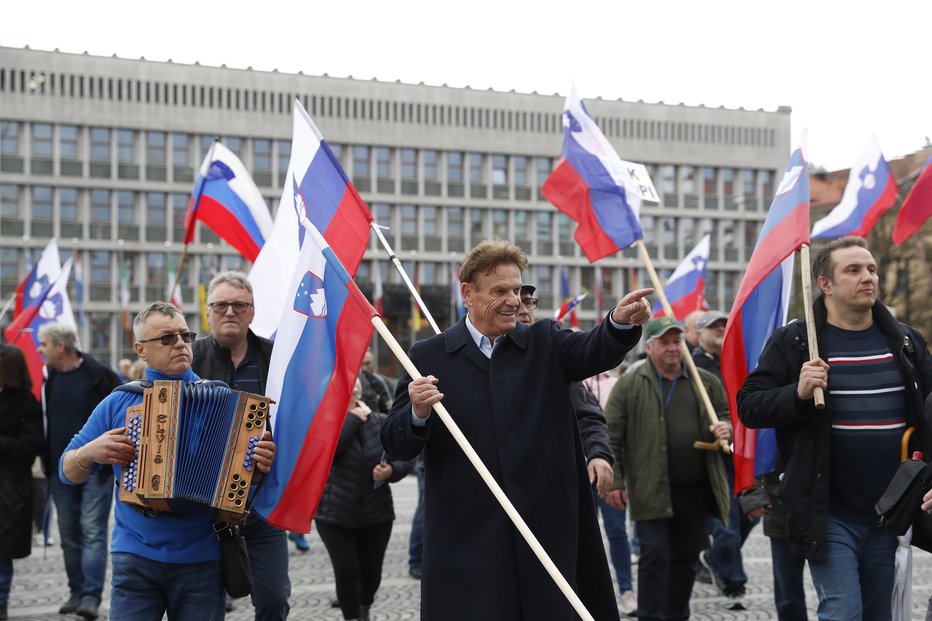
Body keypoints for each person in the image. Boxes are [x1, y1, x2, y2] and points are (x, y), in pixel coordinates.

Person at [381, 239, 651, 621]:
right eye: (500, 291)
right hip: (468, 540)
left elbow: (593, 349)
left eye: (516, 290)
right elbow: (395, 441)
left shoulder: (545, 341)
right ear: (468, 294)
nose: (513, 301)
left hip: (545, 531)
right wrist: (418, 411)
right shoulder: (428, 355)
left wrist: (619, 322)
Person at [739, 236, 932, 621]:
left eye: (871, 269)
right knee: (842, 610)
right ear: (824, 283)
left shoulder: (906, 341)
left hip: (890, 510)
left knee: (879, 612)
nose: (868, 278)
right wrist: (797, 392)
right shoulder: (796, 342)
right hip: (827, 510)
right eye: (854, 270)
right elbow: (749, 405)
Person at [59, 302, 277, 621]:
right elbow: (68, 472)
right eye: (166, 338)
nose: (180, 343)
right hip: (134, 555)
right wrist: (88, 453)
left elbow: (246, 480)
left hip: (201, 556)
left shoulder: (221, 397)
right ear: (140, 350)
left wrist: (259, 465)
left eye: (185, 335)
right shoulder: (120, 400)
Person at [518, 282, 636, 615]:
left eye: (529, 302)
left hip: (551, 500)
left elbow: (588, 414)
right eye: (515, 300)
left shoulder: (553, 355)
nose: (523, 308)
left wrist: (598, 453)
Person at [604, 316, 731, 621]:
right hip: (650, 489)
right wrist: (615, 481)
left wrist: (725, 427)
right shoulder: (631, 383)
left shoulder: (704, 382)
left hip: (694, 489)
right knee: (654, 557)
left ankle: (676, 615)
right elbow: (610, 435)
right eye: (665, 342)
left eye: (677, 341)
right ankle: (650, 616)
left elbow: (724, 414)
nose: (673, 348)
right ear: (649, 347)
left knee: (685, 560)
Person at [191, 271, 292, 620]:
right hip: (201, 508)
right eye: (221, 305)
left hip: (261, 505)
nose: (230, 312)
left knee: (274, 601)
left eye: (239, 305)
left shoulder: (277, 358)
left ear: (252, 312)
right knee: (204, 607)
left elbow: (295, 420)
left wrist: (277, 447)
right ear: (208, 312)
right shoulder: (187, 358)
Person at [38, 323, 121, 620]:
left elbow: (121, 413)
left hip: (97, 474)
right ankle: (75, 591)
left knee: (93, 533)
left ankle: (90, 597)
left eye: (44, 344)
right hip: (61, 471)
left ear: (61, 347)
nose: (40, 349)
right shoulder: (48, 380)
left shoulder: (99, 375)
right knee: (68, 535)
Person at [316, 378, 411, 621]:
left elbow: (403, 457)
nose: (353, 390)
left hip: (376, 513)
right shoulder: (324, 421)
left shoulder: (380, 421)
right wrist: (353, 419)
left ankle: (365, 605)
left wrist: (392, 471)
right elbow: (328, 455)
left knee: (372, 576)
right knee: (346, 573)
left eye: (356, 387)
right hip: (334, 514)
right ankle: (352, 617)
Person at [691, 310, 758, 610]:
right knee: (726, 524)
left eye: (723, 326)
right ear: (699, 333)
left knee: (751, 515)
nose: (720, 330)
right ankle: (735, 584)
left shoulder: (737, 363)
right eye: (713, 326)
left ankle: (715, 558)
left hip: (742, 454)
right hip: (711, 457)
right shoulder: (691, 366)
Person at [0, 345, 43, 621]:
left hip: (9, 487)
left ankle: (1, 602)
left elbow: (31, 445)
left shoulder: (25, 401)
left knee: (2, 551)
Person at [359, 349, 391, 414]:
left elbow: (390, 404)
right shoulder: (355, 382)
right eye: (362, 364)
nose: (365, 367)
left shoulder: (382, 380)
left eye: (368, 363)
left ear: (373, 363)